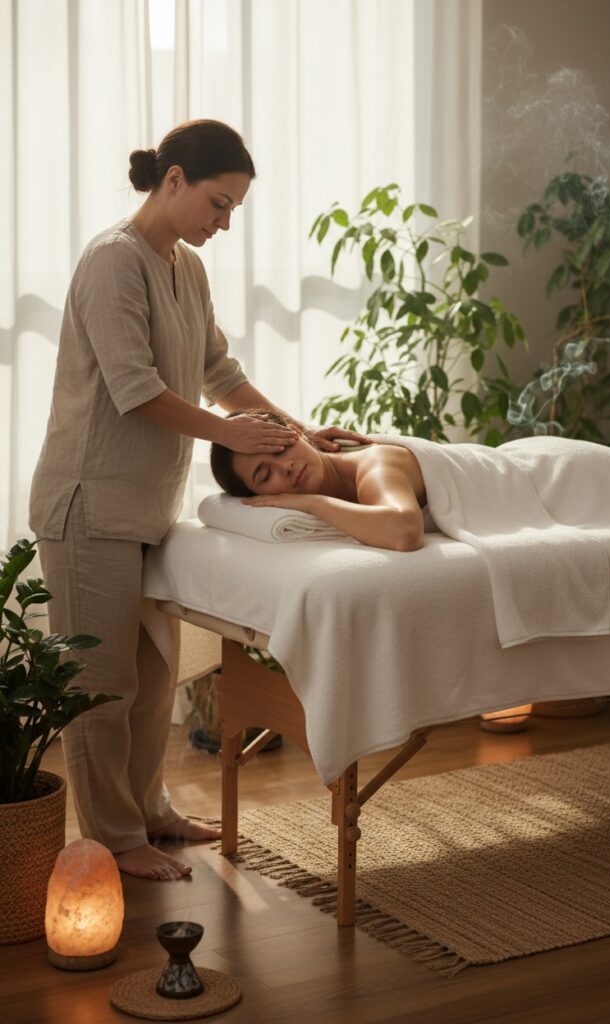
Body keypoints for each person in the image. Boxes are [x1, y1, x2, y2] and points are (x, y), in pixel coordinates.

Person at [29, 119, 365, 881]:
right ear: (173, 179)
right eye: (219, 204)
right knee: (101, 688)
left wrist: (295, 430)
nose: (224, 222)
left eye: (233, 209)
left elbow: (219, 370)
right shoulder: (114, 260)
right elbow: (136, 389)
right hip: (88, 504)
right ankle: (116, 841)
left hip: (148, 507)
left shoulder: (186, 266)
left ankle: (149, 813)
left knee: (151, 682)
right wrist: (232, 436)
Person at [211, 409, 426, 552]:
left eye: (281, 449)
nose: (285, 467)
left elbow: (404, 532)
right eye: (266, 475)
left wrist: (313, 503)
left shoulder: (374, 463)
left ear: (298, 432)